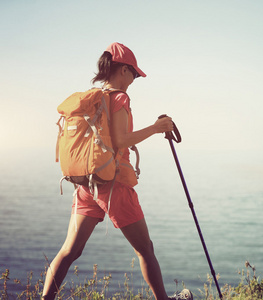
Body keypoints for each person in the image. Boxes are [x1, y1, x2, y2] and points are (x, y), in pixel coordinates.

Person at [42, 42, 193, 300]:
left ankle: (45, 298)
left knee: (69, 251)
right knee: (145, 249)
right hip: (114, 185)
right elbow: (121, 140)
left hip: (87, 184)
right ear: (122, 70)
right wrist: (157, 127)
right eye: (134, 73)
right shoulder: (120, 97)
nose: (134, 79)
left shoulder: (95, 98)